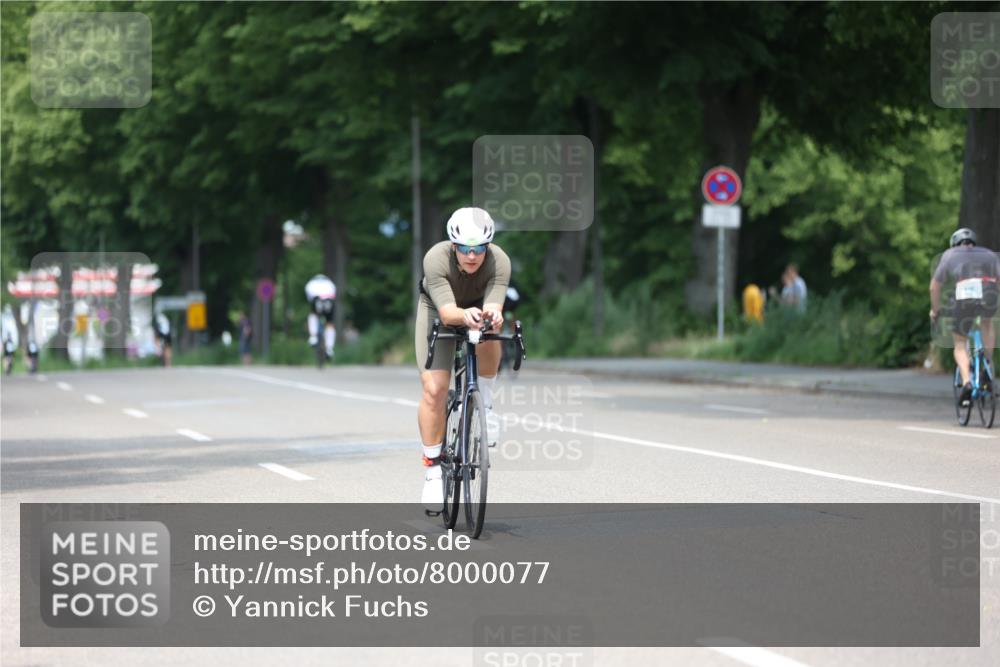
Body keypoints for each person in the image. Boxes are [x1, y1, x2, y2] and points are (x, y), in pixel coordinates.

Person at [415, 207, 510, 512]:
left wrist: (493, 314)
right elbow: (447, 313)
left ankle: (486, 402)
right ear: (453, 246)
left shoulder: (499, 261)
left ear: (488, 246)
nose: (472, 256)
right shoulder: (436, 258)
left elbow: (494, 302)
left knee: (492, 326)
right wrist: (463, 315)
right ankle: (432, 470)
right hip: (438, 310)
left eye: (479, 248)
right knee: (434, 389)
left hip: (476, 310)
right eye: (466, 249)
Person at [929, 228, 1000, 405]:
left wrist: (935, 310)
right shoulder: (989, 254)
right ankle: (987, 365)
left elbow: (934, 287)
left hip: (966, 294)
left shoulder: (950, 255)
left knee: (960, 343)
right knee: (987, 324)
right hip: (989, 291)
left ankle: (967, 382)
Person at [304, 273, 337, 360]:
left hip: (317, 300)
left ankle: (313, 337)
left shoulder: (310, 284)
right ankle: (329, 349)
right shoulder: (330, 284)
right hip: (329, 302)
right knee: (330, 324)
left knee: (313, 314)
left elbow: (309, 299)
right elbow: (334, 296)